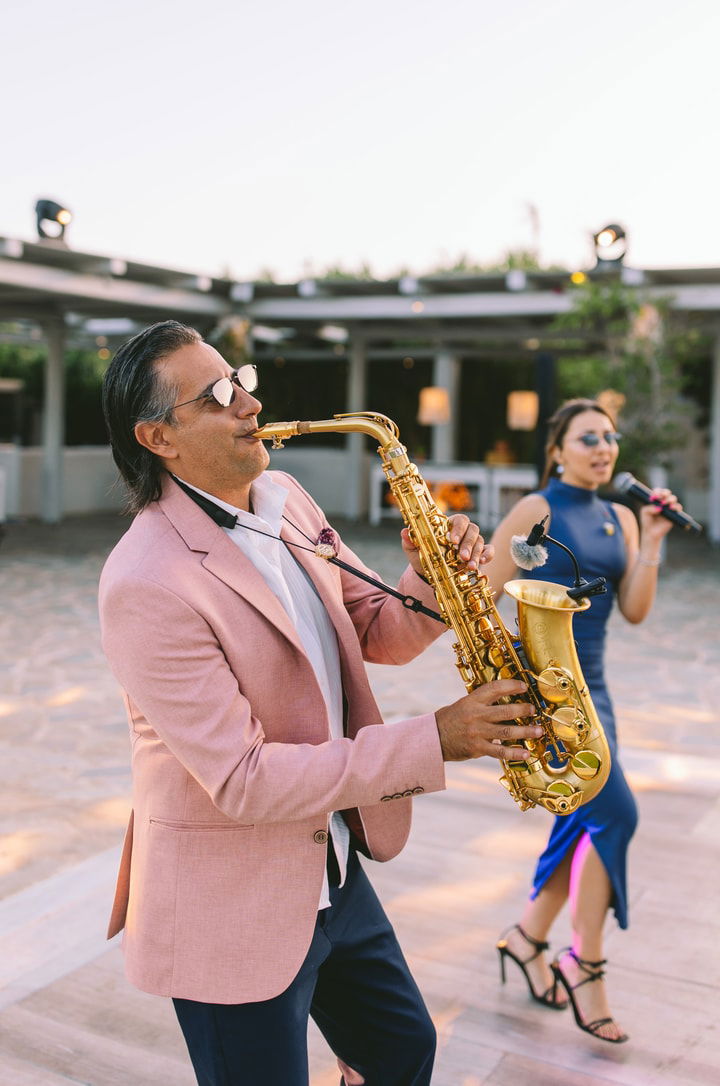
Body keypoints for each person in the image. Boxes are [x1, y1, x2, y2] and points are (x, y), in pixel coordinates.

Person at [98, 320, 543, 1086]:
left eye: (240, 376)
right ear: (158, 438)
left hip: (331, 864)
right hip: (224, 899)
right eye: (218, 395)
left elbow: (374, 631)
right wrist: (437, 739)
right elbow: (244, 779)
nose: (250, 400)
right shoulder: (145, 580)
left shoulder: (286, 498)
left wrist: (433, 577)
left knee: (402, 1051)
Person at [487, 397, 683, 1044]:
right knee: (614, 814)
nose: (603, 447)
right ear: (558, 449)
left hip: (594, 691)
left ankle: (526, 938)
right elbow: (483, 595)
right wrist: (513, 682)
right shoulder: (534, 509)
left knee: (582, 824)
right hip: (547, 692)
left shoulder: (624, 517)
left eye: (609, 437)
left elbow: (633, 610)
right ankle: (584, 963)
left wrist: (651, 541)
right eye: (587, 437)